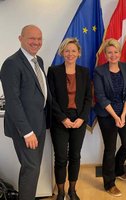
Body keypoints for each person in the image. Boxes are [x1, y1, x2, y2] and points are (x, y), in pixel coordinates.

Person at [0, 24, 51, 200]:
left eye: (39, 39)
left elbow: (41, 92)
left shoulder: (39, 61)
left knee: (33, 167)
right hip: (26, 129)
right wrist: (27, 132)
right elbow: (12, 102)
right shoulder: (11, 63)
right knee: (31, 168)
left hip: (39, 123)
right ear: (20, 39)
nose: (36, 42)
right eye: (31, 38)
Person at [47, 38, 92, 200]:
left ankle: (72, 190)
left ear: (79, 53)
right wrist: (62, 118)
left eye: (73, 51)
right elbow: (50, 98)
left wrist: (82, 118)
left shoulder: (85, 72)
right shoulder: (53, 71)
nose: (70, 54)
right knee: (60, 158)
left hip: (79, 120)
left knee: (75, 156)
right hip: (60, 120)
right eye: (67, 50)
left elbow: (88, 98)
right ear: (62, 52)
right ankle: (60, 192)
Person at [93, 39, 126, 197]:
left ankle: (118, 168)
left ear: (120, 52)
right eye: (109, 52)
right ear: (105, 54)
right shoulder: (99, 71)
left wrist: (123, 115)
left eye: (116, 52)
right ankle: (109, 183)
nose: (113, 55)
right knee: (110, 148)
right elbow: (101, 97)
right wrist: (116, 116)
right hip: (107, 114)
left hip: (123, 111)